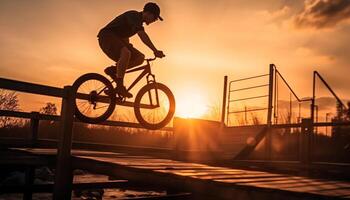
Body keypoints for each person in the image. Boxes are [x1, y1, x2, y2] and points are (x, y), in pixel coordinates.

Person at [97, 2, 165, 98]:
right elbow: (142, 35)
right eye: (155, 18)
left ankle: (114, 71)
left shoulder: (137, 22)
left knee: (140, 58)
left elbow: (123, 36)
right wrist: (155, 50)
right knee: (126, 52)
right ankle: (120, 86)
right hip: (106, 37)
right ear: (148, 13)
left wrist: (128, 46)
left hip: (116, 39)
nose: (154, 20)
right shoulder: (134, 15)